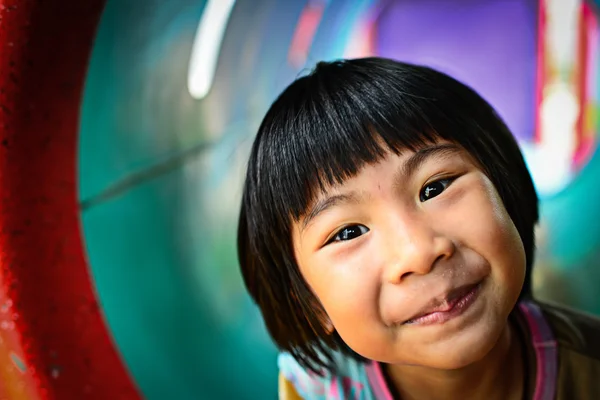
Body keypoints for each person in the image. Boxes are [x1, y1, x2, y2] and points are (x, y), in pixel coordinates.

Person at [237, 57, 600, 399]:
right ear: (307, 303)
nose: (419, 253)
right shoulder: (315, 390)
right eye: (348, 232)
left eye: (435, 188)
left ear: (503, 189)